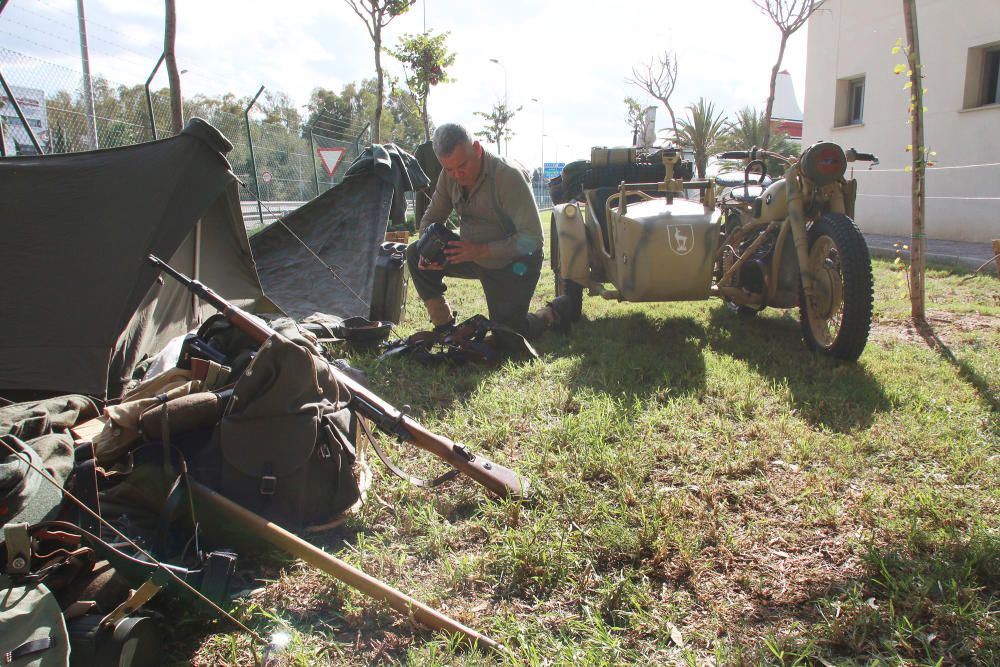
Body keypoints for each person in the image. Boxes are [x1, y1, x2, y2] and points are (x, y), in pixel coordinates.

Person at [406, 123, 572, 340]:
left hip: (514, 263)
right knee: (416, 252)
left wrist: (480, 250)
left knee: (508, 338)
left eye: (462, 165)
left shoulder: (507, 176)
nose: (457, 174)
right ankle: (445, 327)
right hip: (470, 255)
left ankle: (550, 313)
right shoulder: (449, 176)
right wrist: (429, 252)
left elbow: (533, 239)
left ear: (476, 149)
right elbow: (430, 220)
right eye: (448, 169)